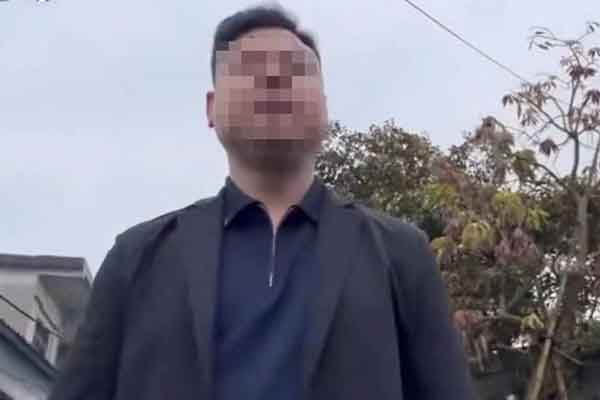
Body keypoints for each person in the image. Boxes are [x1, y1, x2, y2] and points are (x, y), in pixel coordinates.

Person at [49, 4, 475, 400]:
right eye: (249, 68)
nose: (274, 79)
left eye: (295, 69)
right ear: (212, 108)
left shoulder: (399, 253)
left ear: (323, 108)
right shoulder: (137, 256)